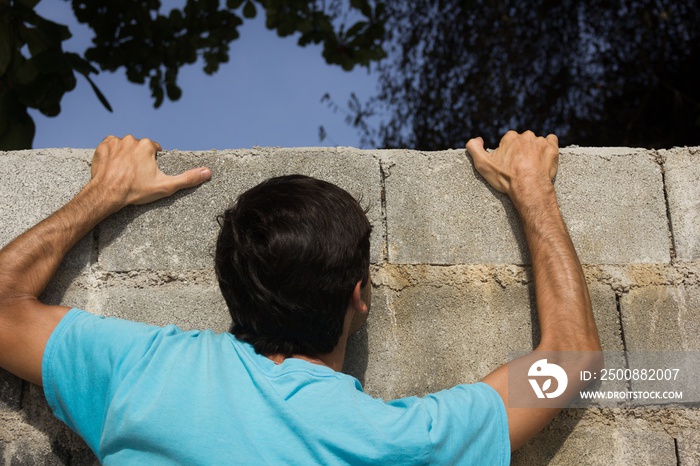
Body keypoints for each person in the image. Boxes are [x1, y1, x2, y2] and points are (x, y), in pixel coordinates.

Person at [0, 131, 602, 464]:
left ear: (231, 287)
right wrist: (532, 191)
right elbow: (572, 359)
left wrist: (104, 192)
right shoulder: (396, 444)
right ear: (359, 297)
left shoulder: (141, 372)